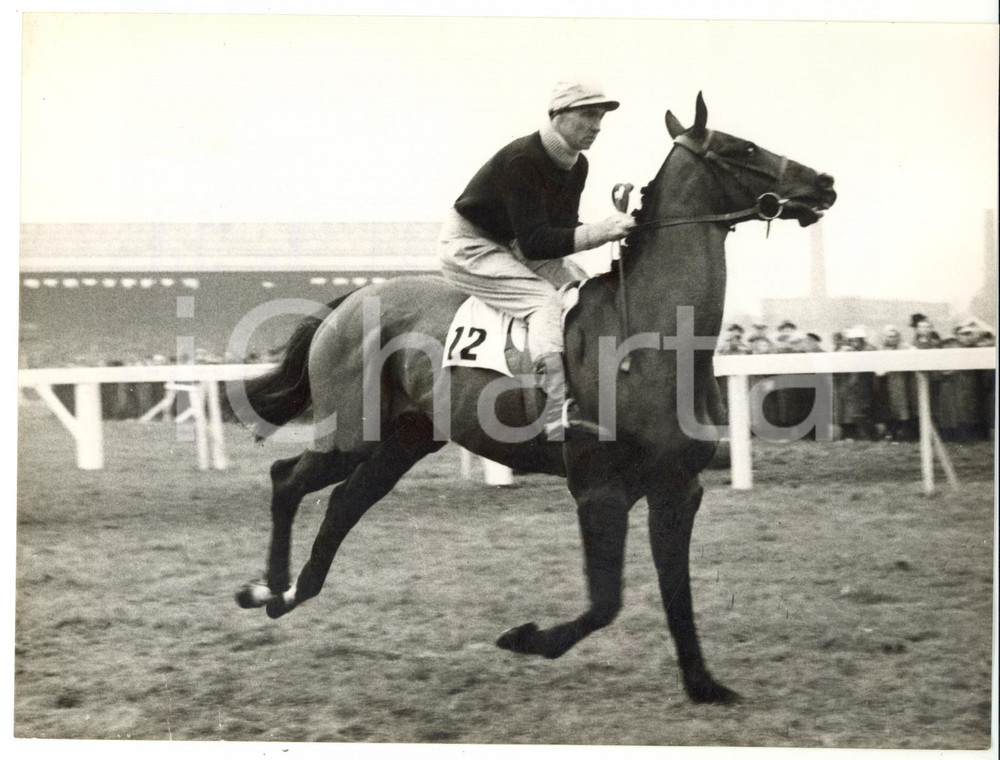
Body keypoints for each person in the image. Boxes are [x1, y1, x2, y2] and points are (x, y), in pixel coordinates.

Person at [438, 80, 636, 437]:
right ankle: (554, 407)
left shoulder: (577, 165)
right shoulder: (523, 160)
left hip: (511, 244)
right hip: (469, 246)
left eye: (601, 117)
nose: (597, 126)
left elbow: (560, 230)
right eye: (589, 115)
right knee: (544, 301)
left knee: (582, 287)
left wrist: (618, 227)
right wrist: (602, 231)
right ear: (558, 116)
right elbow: (536, 243)